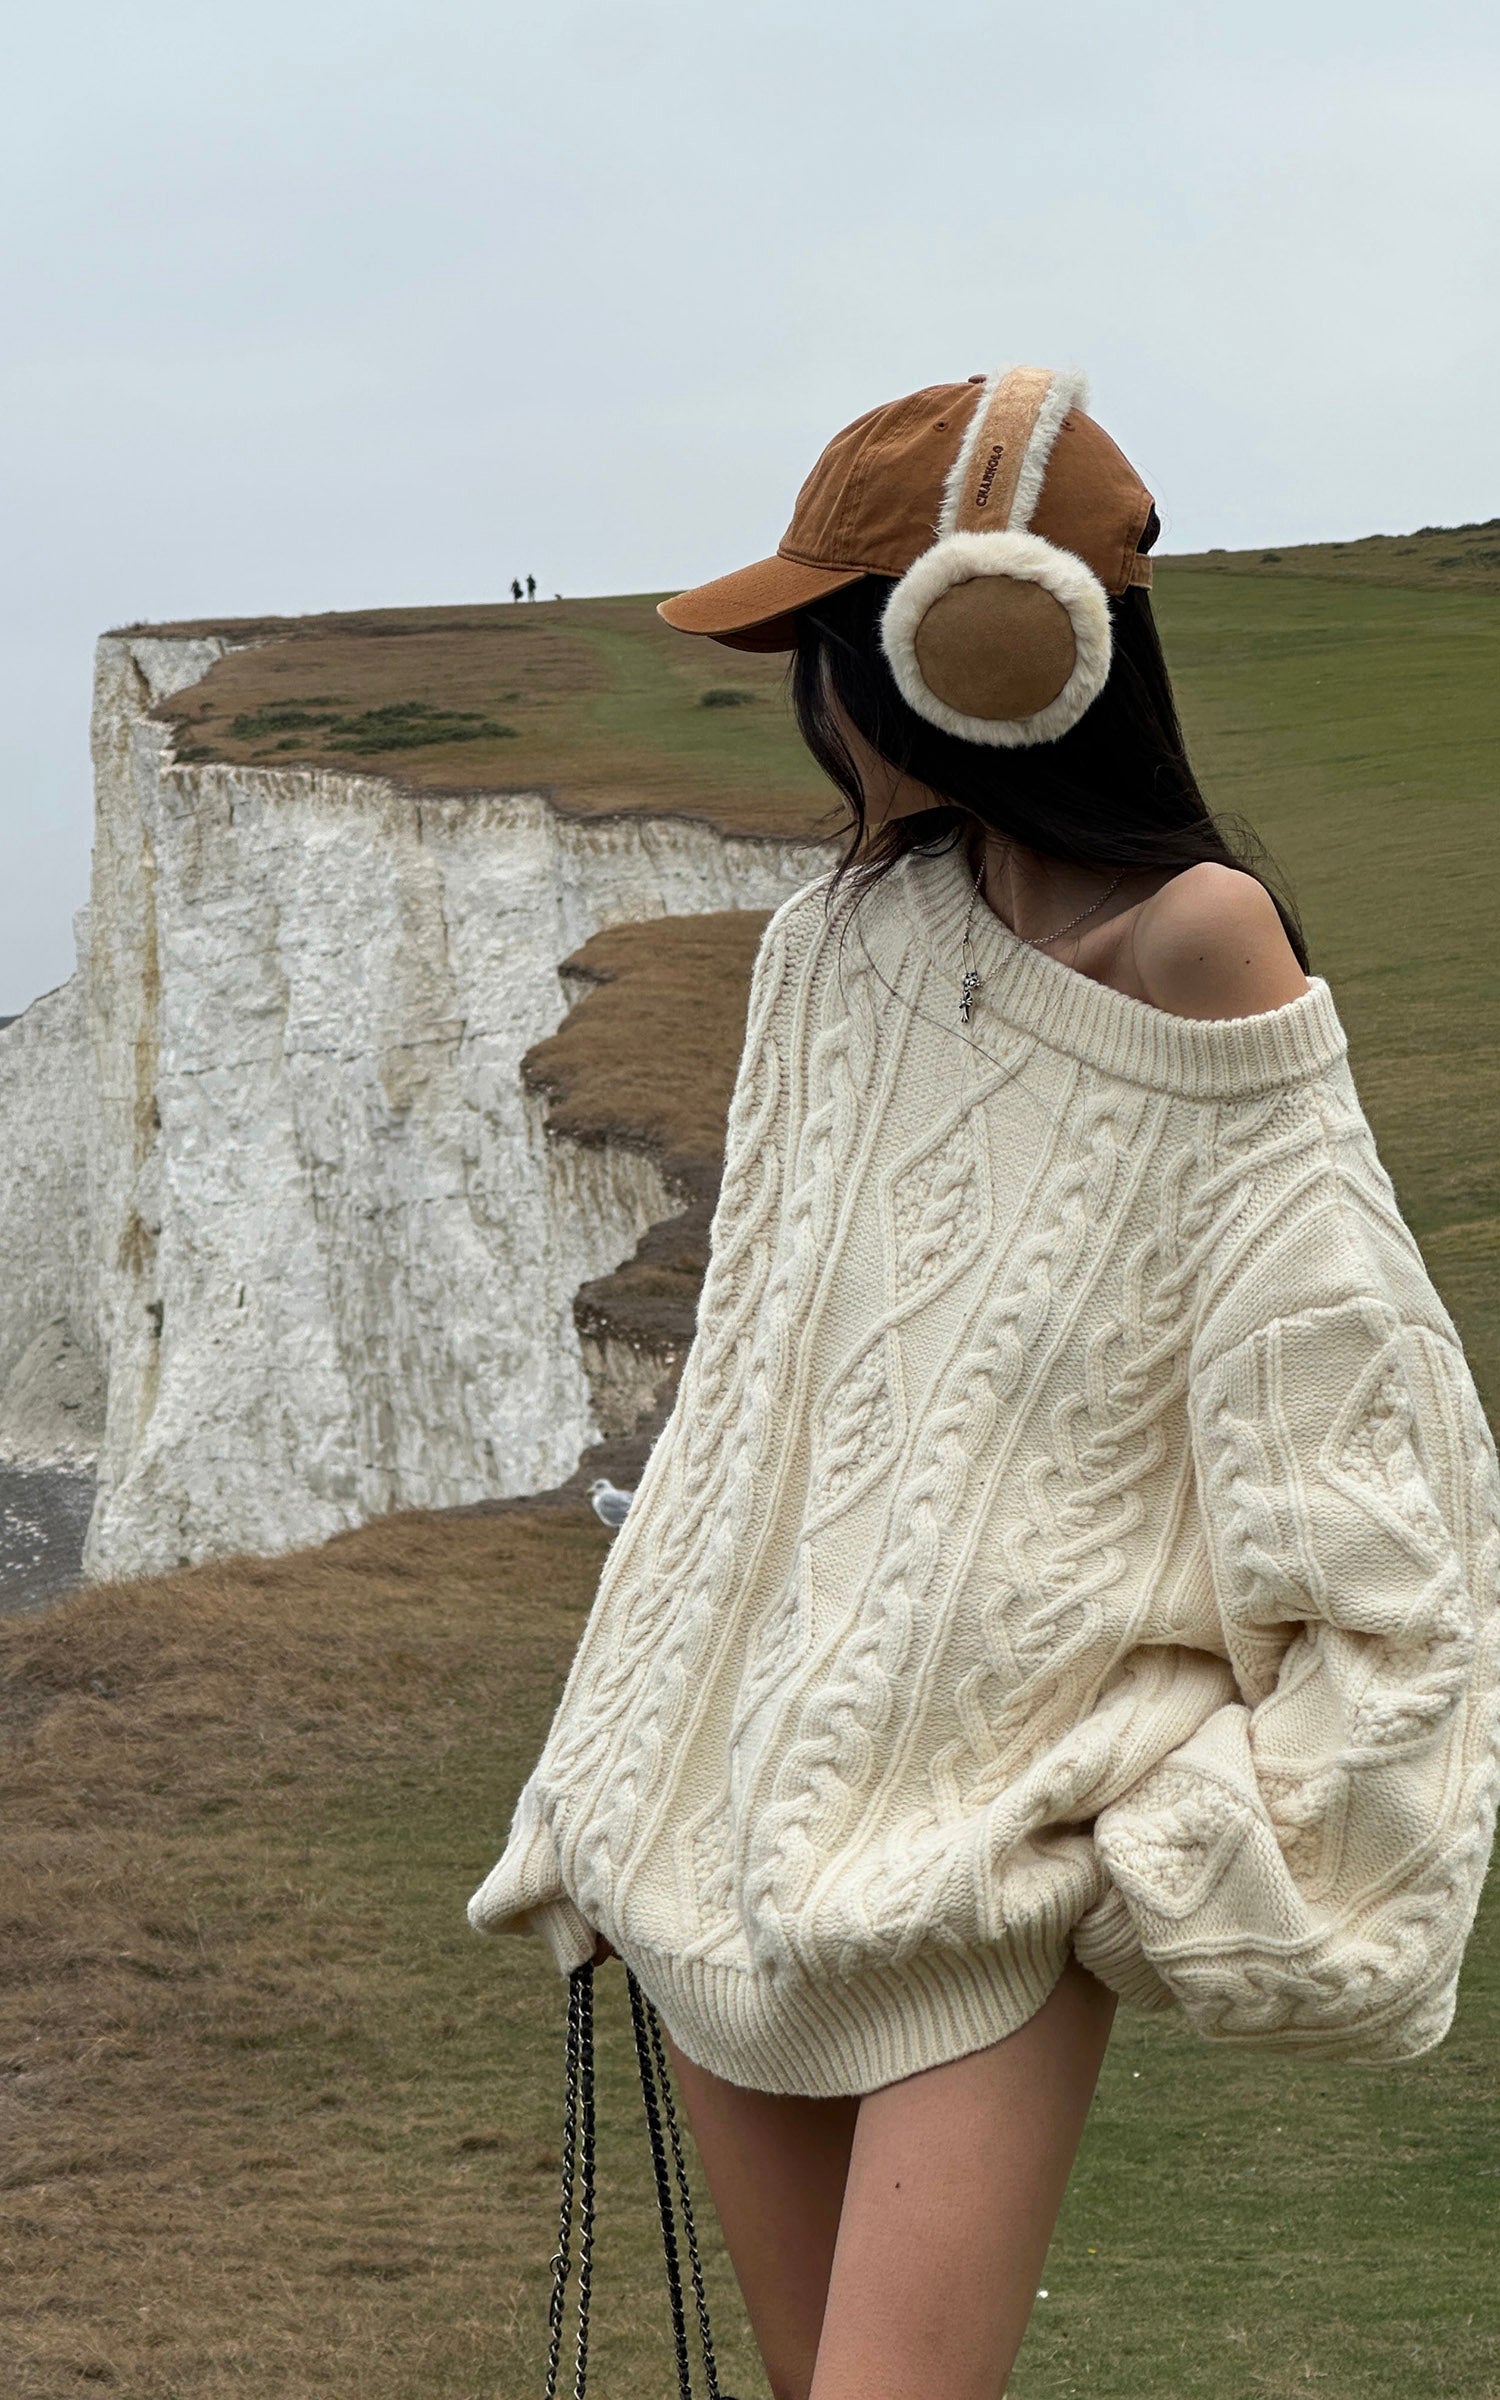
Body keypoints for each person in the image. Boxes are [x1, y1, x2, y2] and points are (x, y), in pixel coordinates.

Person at [467, 365, 1500, 2400]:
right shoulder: (831, 948)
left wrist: (1175, 1834)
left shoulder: (1201, 946)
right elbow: (754, 1401)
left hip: (989, 1859)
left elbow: (1365, 1440)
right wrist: (612, 1765)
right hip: (720, 1830)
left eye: (831, 647)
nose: (810, 699)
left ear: (981, 656)